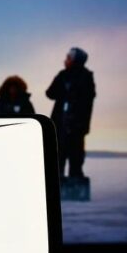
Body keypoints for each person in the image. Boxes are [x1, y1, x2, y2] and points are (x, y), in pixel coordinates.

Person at [46, 47, 96, 178]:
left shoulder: (86, 77)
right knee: (58, 157)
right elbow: (50, 93)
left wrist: (73, 95)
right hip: (60, 123)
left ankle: (77, 183)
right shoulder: (62, 75)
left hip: (77, 125)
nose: (65, 60)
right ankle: (57, 183)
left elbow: (88, 101)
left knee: (76, 158)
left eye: (68, 58)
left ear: (75, 61)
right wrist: (62, 89)